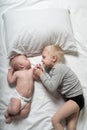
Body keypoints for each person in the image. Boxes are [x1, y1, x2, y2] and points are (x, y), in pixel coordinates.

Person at [33, 45, 84, 130]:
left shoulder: (58, 68)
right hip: (77, 100)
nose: (42, 60)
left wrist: (41, 74)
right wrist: (41, 71)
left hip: (75, 100)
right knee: (71, 128)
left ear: (53, 58)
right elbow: (50, 80)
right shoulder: (55, 70)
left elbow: (52, 87)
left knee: (55, 120)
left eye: (44, 57)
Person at [4, 54, 35, 124]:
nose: (29, 60)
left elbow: (36, 77)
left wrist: (38, 68)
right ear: (21, 65)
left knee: (25, 113)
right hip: (19, 97)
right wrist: (10, 73)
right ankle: (8, 111)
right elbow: (11, 82)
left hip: (28, 100)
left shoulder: (31, 71)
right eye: (26, 59)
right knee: (14, 110)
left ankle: (12, 117)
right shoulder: (17, 73)